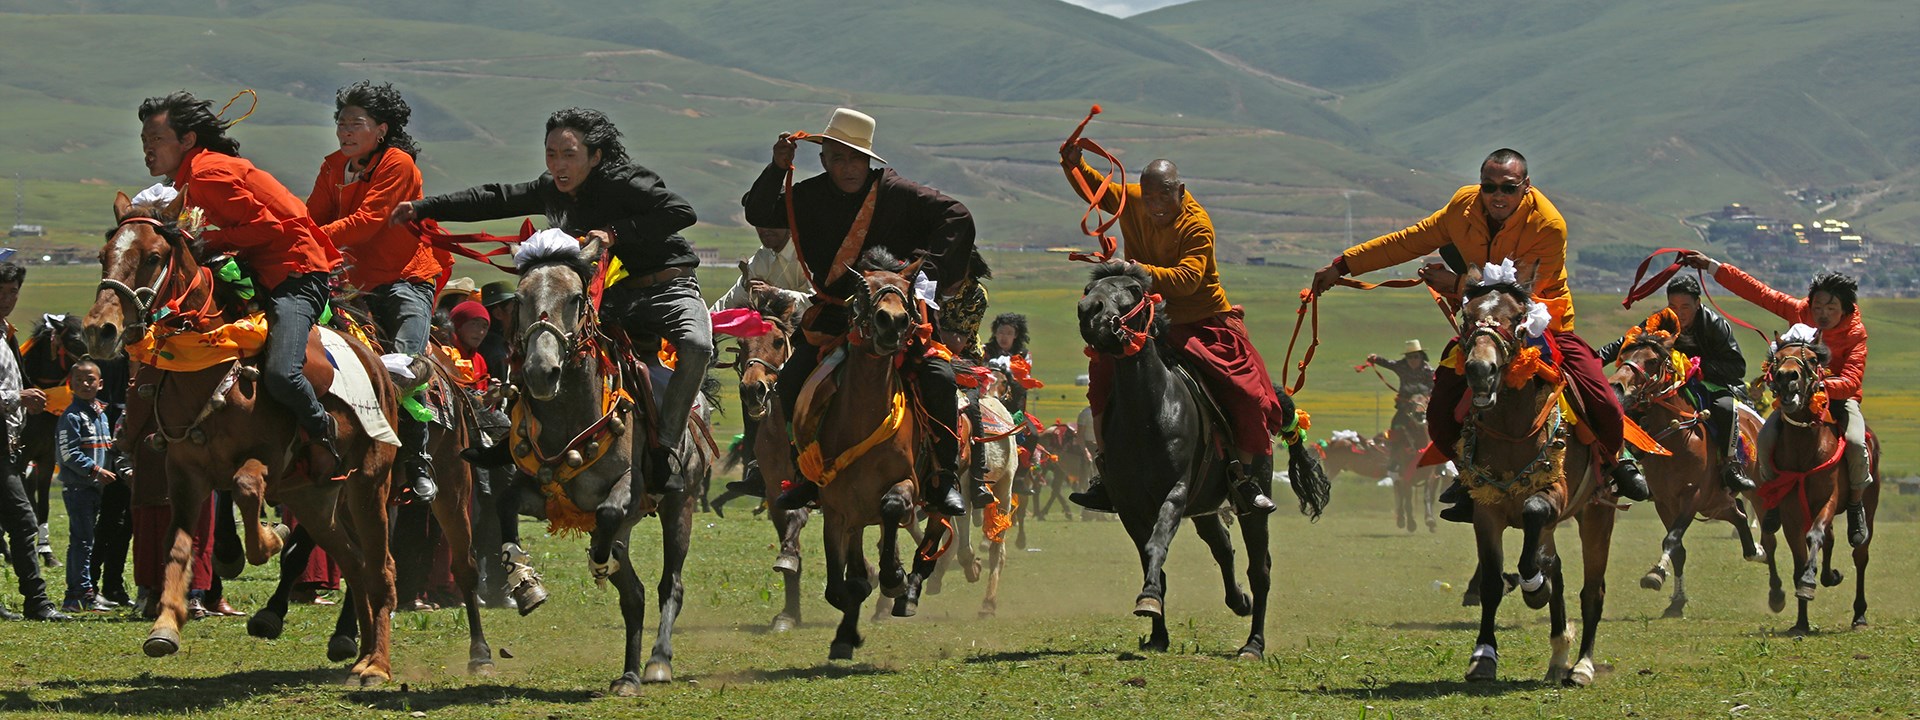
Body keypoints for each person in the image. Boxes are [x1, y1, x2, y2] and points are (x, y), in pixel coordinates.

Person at [1310, 148, 1650, 521]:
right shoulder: (1463, 206)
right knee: (1439, 412)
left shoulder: (1548, 225)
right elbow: (1410, 240)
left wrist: (1456, 282)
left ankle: (1615, 465)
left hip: (1542, 321)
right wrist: (1344, 265)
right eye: (1489, 187)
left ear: (1526, 186)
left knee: (1602, 399)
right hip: (1485, 326)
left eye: (1508, 187)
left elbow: (1525, 289)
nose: (1498, 196)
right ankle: (1470, 477)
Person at [395, 107, 710, 495]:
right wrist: (425, 208)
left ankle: (666, 449)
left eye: (569, 154)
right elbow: (495, 198)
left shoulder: (626, 181)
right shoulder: (551, 188)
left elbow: (682, 211)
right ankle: (517, 440)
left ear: (596, 156)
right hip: (614, 296)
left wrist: (616, 232)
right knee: (549, 340)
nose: (558, 165)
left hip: (668, 287)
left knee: (697, 345)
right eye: (551, 154)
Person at [740, 108, 981, 515]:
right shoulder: (811, 195)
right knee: (791, 383)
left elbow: (957, 215)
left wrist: (925, 273)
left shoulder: (898, 193)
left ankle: (942, 478)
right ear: (824, 160)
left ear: (868, 160)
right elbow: (760, 211)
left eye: (854, 158)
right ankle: (805, 475)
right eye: (837, 158)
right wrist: (776, 166)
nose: (847, 167)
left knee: (938, 378)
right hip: (836, 316)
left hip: (897, 317)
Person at [1058, 147, 1285, 515]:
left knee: (1247, 393)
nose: (1155, 204)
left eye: (1164, 195)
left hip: (1201, 320)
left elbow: (1189, 279)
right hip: (1147, 321)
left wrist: (1135, 270)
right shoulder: (1136, 199)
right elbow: (1099, 191)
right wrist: (1073, 164)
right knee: (1101, 378)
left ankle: (1245, 479)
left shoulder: (1197, 224)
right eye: (1148, 197)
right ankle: (1107, 472)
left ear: (1180, 190)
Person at [138, 91, 345, 477]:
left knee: (283, 374)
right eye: (144, 142)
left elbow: (267, 228)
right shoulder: (196, 174)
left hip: (295, 274)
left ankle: (324, 434)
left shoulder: (206, 174)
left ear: (187, 141)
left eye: (157, 140)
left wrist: (205, 241)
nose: (148, 150)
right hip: (262, 269)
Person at [307, 80, 446, 504]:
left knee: (404, 362)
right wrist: (295, 234)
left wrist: (309, 237)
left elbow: (370, 221)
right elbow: (313, 214)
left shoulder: (398, 164)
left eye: (356, 124)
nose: (345, 131)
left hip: (406, 278)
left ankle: (418, 458)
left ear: (381, 129)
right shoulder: (333, 166)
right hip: (353, 285)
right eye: (341, 123)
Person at [1682, 253, 1871, 546]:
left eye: (1831, 308)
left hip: (1838, 400)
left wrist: (1818, 385)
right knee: (1766, 437)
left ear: (1845, 309)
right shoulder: (1799, 311)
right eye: (1817, 306)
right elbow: (1757, 291)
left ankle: (1856, 502)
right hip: (1796, 398)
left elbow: (1852, 381)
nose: (1821, 313)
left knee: (1859, 443)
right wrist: (1711, 266)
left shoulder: (1856, 333)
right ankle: (1771, 501)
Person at [1598, 275, 1751, 492]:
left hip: (1713, 384)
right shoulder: (1662, 322)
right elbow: (1626, 343)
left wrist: (1697, 367)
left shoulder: (1715, 324)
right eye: (1673, 306)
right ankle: (1625, 468)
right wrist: (1591, 359)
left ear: (1698, 304)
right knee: (1627, 408)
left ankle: (1730, 466)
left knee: (1725, 408)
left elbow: (1738, 367)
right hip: (1673, 386)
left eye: (1686, 307)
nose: (1679, 313)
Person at [0, 263, 66, 620]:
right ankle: (37, 602)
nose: (8, 299)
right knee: (24, 521)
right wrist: (17, 398)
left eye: (13, 292)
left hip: (7, 443)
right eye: (3, 291)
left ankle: (34, 602)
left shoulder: (5, 334)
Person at [56, 359, 115, 612]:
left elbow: (108, 447)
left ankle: (85, 591)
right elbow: (68, 454)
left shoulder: (100, 414)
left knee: (88, 540)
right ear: (70, 384)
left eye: (90, 379)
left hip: (95, 488)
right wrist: (96, 470)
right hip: (79, 487)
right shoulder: (71, 416)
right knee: (81, 541)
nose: (84, 384)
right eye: (78, 380)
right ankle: (77, 594)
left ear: (100, 384)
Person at [710, 227, 813, 314]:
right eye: (759, 223)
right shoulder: (763, 256)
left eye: (772, 222)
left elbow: (821, 303)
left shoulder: (811, 251)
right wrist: (706, 324)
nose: (765, 229)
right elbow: (730, 302)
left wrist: (776, 294)